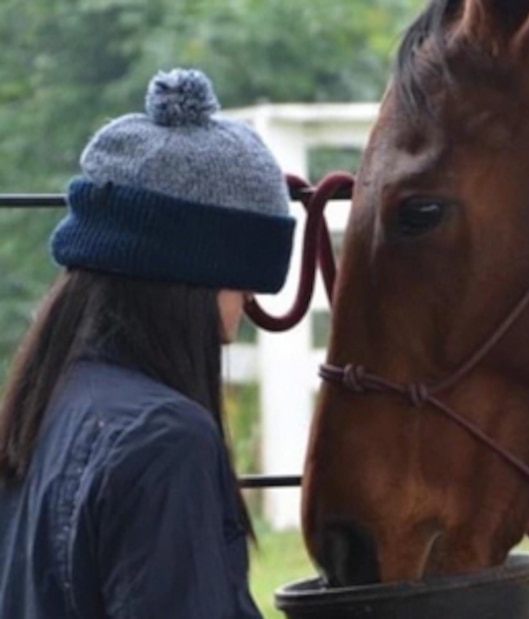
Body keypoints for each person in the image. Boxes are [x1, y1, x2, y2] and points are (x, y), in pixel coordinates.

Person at [0, 68, 295, 619]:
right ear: (190, 276)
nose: (250, 299)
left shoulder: (40, 410)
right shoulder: (165, 439)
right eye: (242, 276)